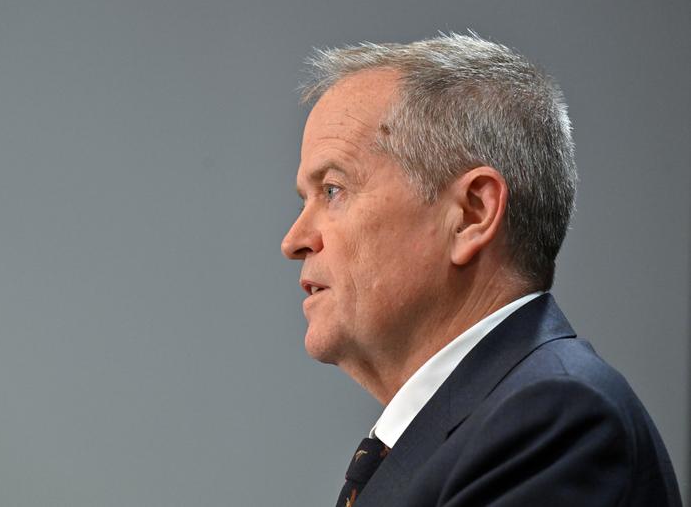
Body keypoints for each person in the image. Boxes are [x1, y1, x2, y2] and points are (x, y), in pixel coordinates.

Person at [280, 34, 681, 507]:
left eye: (332, 190)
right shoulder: (462, 428)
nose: (294, 241)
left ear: (471, 214)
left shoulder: (553, 420)